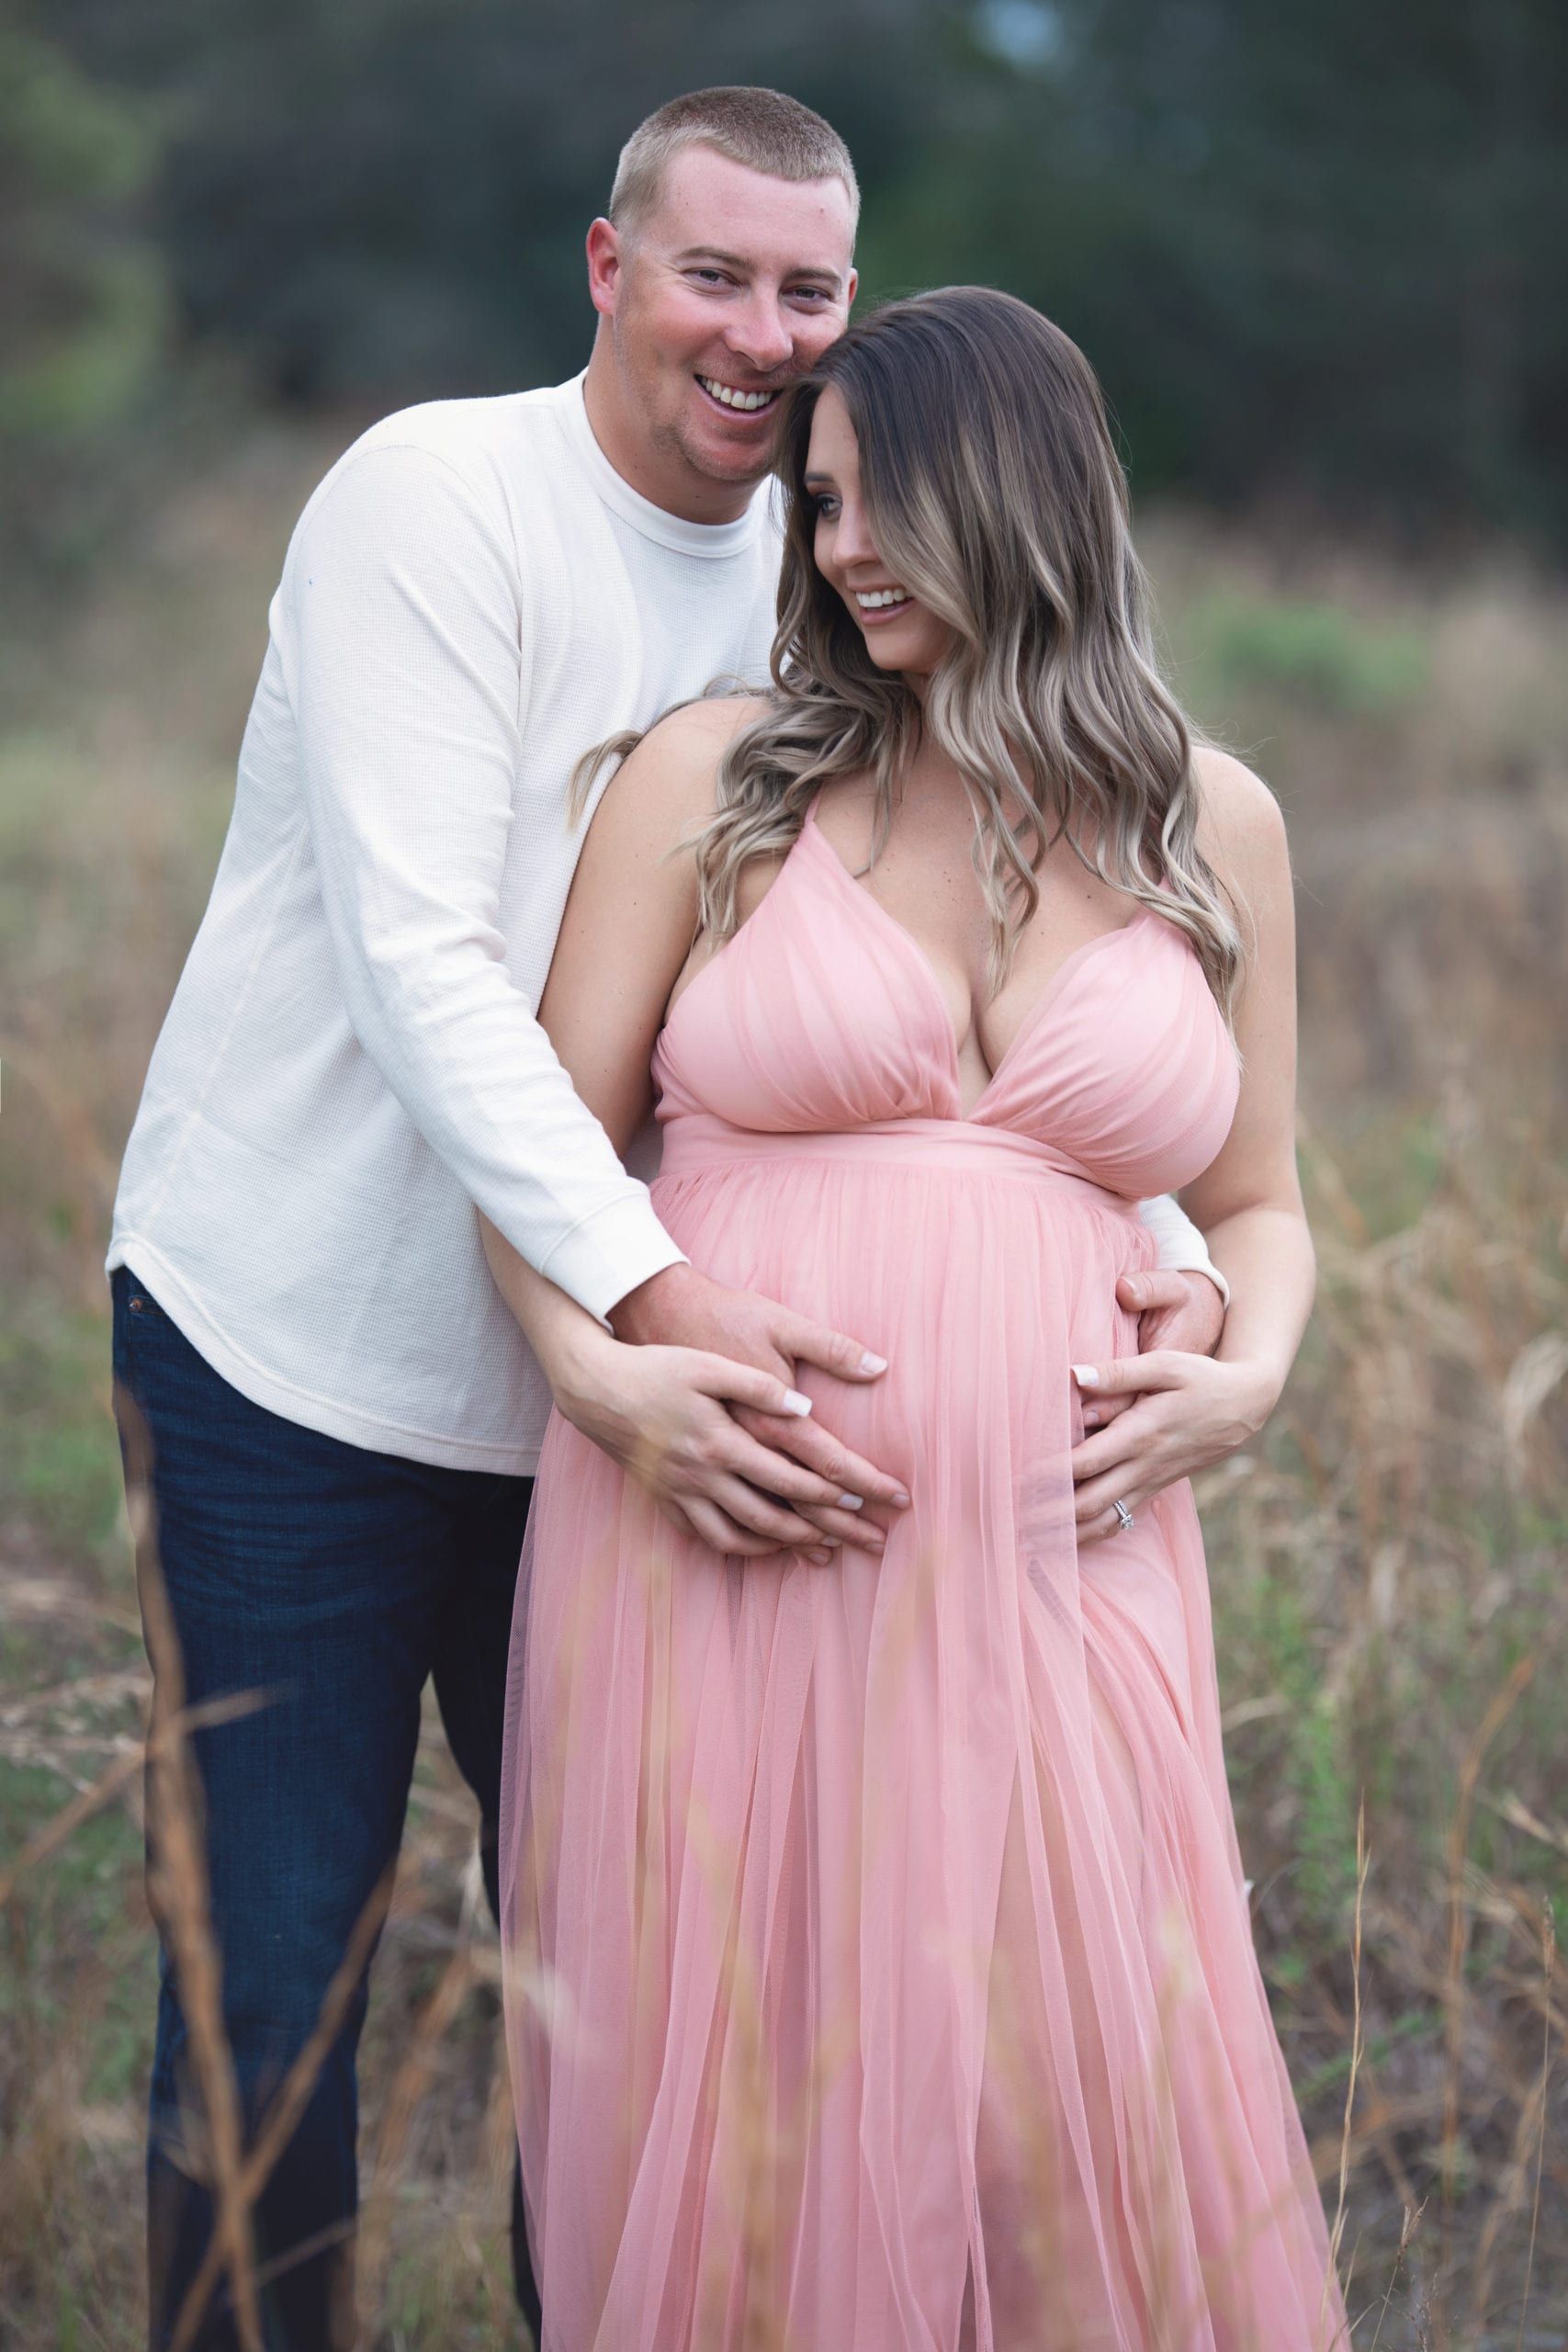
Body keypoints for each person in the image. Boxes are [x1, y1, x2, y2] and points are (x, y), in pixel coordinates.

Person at [106, 89, 1227, 2350]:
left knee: (636, 1996)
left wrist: (1176, 1249)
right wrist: (636, 1298)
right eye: (714, 273)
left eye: (806, 290)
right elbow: (434, 969)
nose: (760, 331)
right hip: (306, 1358)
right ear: (607, 268)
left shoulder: (834, 549)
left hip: (649, 1433)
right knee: (279, 1972)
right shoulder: (433, 498)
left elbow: (968, 945)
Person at [491, 287, 1348, 2349]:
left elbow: (1260, 1202)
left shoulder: (1203, 820)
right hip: (733, 1543)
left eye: (874, 498)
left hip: (1079, 1559)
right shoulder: (719, 777)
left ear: (1021, 490)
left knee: (1063, 2102)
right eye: (816, 502)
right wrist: (603, 1379)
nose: (833, 544)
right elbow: (537, 1150)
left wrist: (1243, 1373)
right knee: (765, 2101)